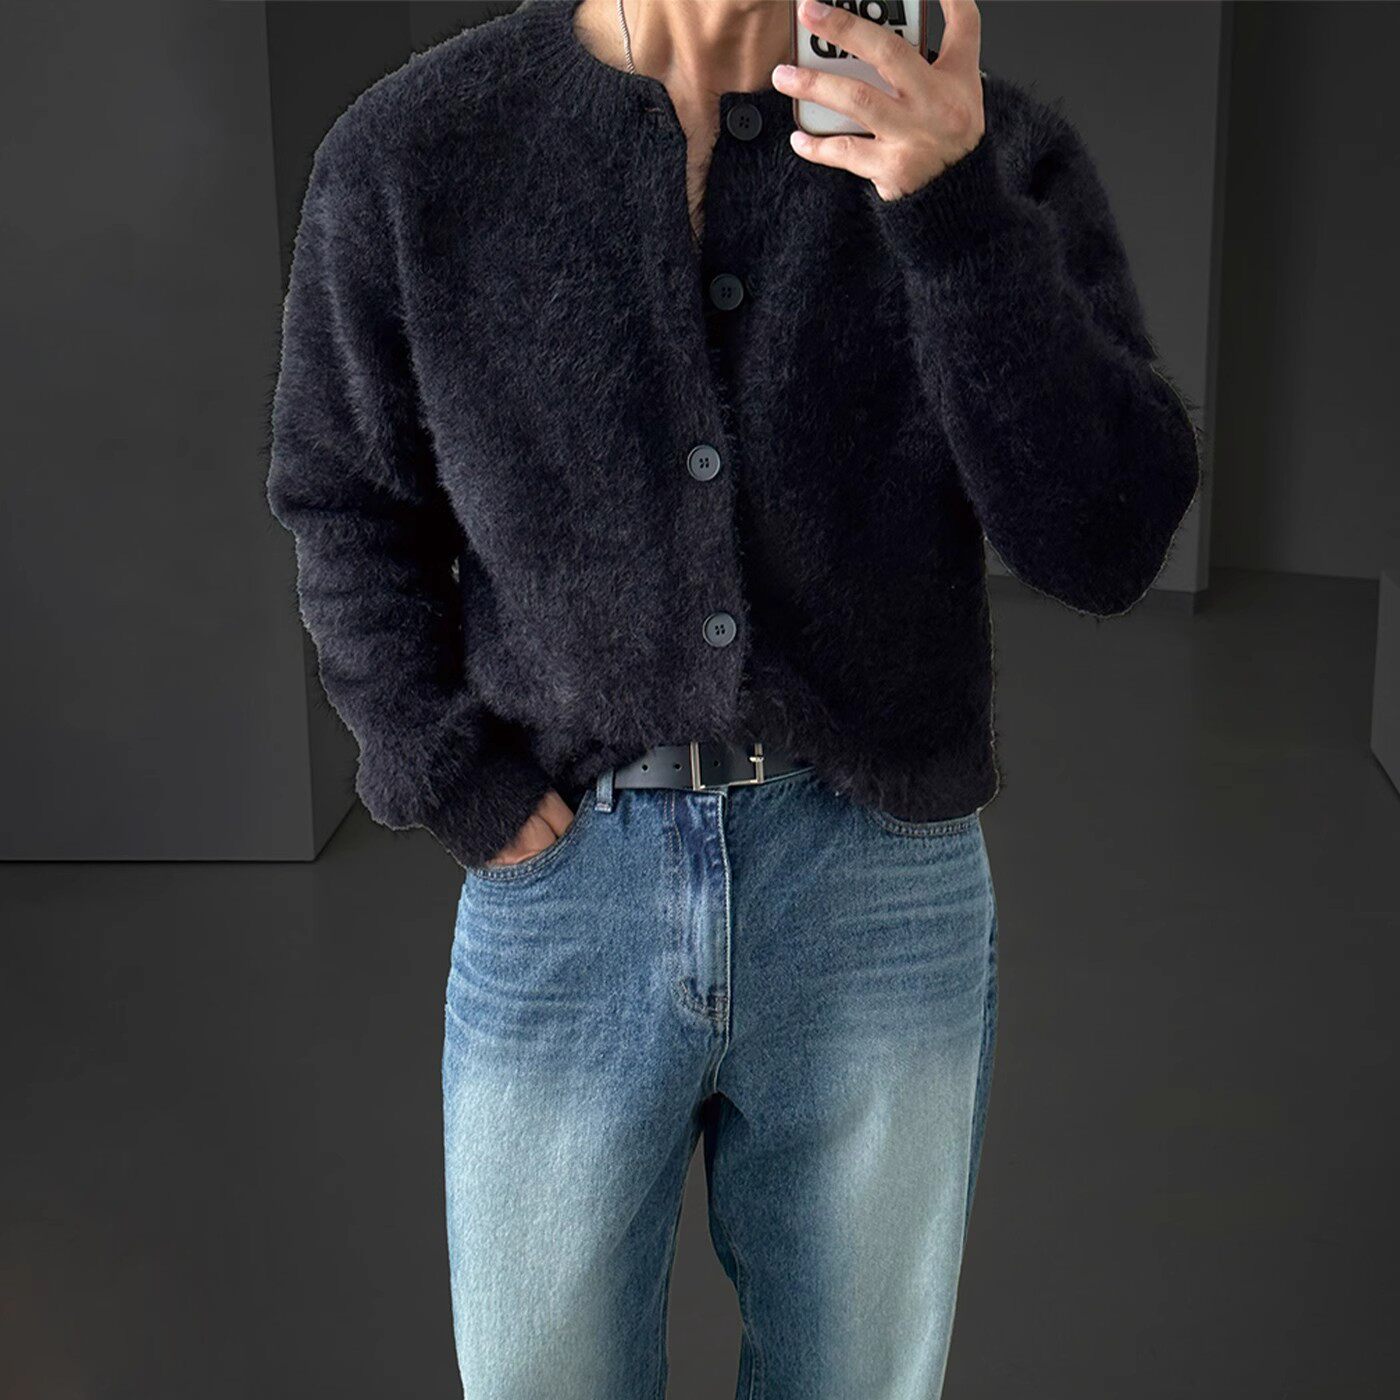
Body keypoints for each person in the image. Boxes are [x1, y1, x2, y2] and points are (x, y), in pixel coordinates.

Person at [266, 0, 1202, 1394]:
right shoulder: (419, 150)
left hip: (876, 891)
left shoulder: (986, 149)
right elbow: (343, 499)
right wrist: (447, 771)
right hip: (565, 896)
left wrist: (951, 211)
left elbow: (1107, 541)